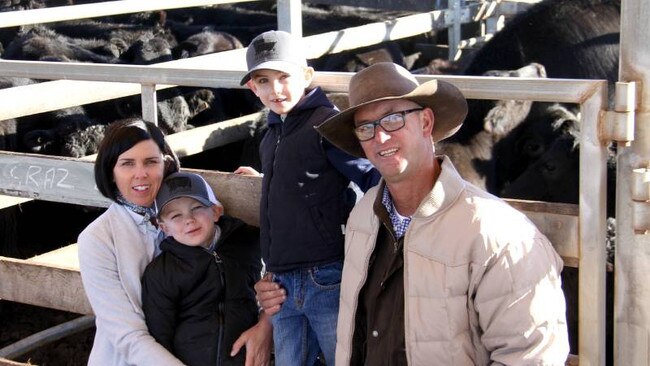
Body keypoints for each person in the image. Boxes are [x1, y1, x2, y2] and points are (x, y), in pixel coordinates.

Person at [263, 62, 571, 364]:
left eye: (393, 119)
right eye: (366, 127)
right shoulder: (363, 220)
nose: (380, 138)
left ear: (426, 122)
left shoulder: (501, 235)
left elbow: (532, 355)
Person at [234, 30, 380, 366]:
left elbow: (370, 176)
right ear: (252, 87)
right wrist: (267, 181)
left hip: (325, 272)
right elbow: (302, 176)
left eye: (284, 77)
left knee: (341, 357)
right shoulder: (271, 135)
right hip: (281, 279)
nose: (275, 89)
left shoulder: (328, 124)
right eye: (264, 80)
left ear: (306, 75)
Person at [77, 118, 271, 366]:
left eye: (151, 161)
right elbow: (127, 336)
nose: (141, 174)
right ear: (110, 172)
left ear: (165, 163)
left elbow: (260, 268)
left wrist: (266, 324)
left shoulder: (193, 211)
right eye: (127, 164)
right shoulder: (98, 240)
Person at [141, 171, 271, 366]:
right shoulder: (161, 272)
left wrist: (259, 178)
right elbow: (160, 335)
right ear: (163, 227)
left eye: (197, 208)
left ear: (216, 211)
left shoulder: (247, 242)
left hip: (246, 358)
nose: (189, 220)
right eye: (176, 215)